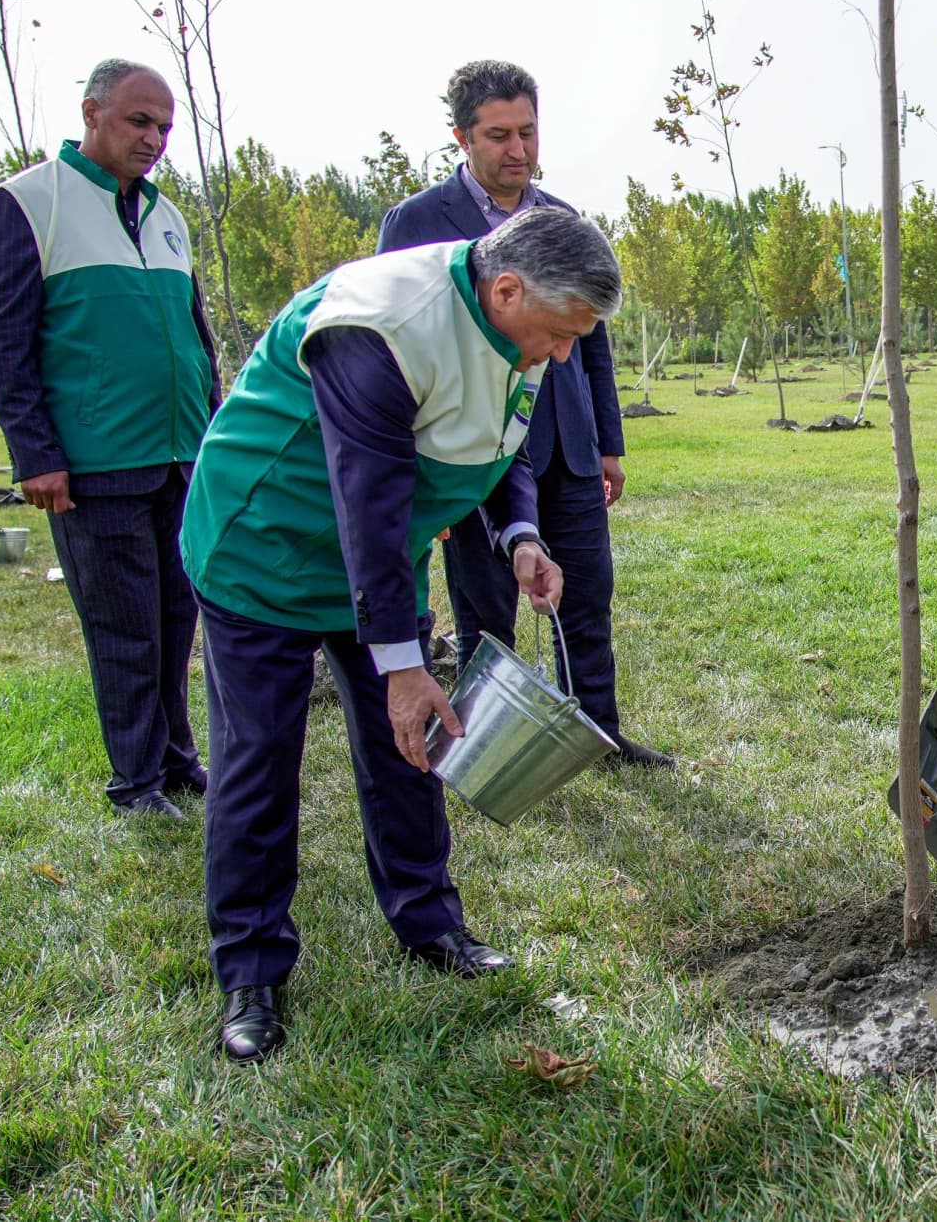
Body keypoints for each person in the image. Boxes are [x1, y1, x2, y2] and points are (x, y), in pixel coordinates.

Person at [179, 207, 618, 1062]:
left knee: (410, 746)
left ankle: (429, 926)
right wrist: (402, 661)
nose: (564, 354)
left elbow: (502, 444)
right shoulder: (383, 323)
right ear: (505, 288)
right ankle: (252, 969)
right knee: (259, 757)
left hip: (377, 556)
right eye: (562, 334)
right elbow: (367, 497)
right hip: (265, 546)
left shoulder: (519, 330)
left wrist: (519, 535)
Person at [378, 60, 671, 769]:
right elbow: (399, 350)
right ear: (462, 137)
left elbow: (592, 341)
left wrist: (606, 440)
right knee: (486, 605)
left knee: (586, 592)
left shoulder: (565, 222)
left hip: (567, 446)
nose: (518, 150)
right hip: (471, 450)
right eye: (499, 135)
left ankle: (596, 736)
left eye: (528, 132)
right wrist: (423, 479)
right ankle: (486, 748)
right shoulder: (416, 223)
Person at [0, 59, 219, 820]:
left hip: (181, 459)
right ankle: (135, 783)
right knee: (124, 629)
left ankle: (177, 762)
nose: (154, 139)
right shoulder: (28, 201)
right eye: (139, 122)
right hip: (94, 465)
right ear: (92, 112)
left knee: (177, 622)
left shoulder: (168, 216)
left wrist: (217, 442)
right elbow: (3, 338)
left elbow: (196, 339)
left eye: (165, 128)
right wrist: (36, 455)